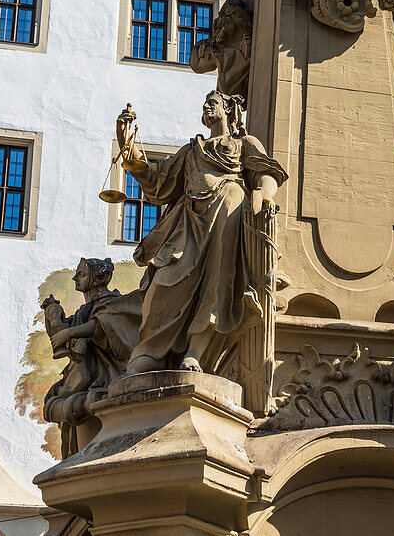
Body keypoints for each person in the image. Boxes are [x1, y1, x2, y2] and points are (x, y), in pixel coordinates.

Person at [120, 91, 287, 375]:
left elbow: (266, 173)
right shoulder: (192, 150)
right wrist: (128, 145)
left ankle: (194, 353)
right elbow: (157, 178)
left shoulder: (243, 143)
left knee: (219, 279)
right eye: (205, 103)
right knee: (164, 280)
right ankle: (150, 350)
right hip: (189, 221)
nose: (207, 106)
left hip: (228, 211)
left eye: (213, 102)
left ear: (229, 110)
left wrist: (264, 193)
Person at [41, 257, 142, 457]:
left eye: (81, 274)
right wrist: (54, 316)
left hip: (105, 376)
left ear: (96, 279)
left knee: (92, 442)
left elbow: (100, 325)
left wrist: (70, 332)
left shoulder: (110, 302)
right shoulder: (84, 310)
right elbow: (66, 338)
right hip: (85, 379)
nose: (75, 278)